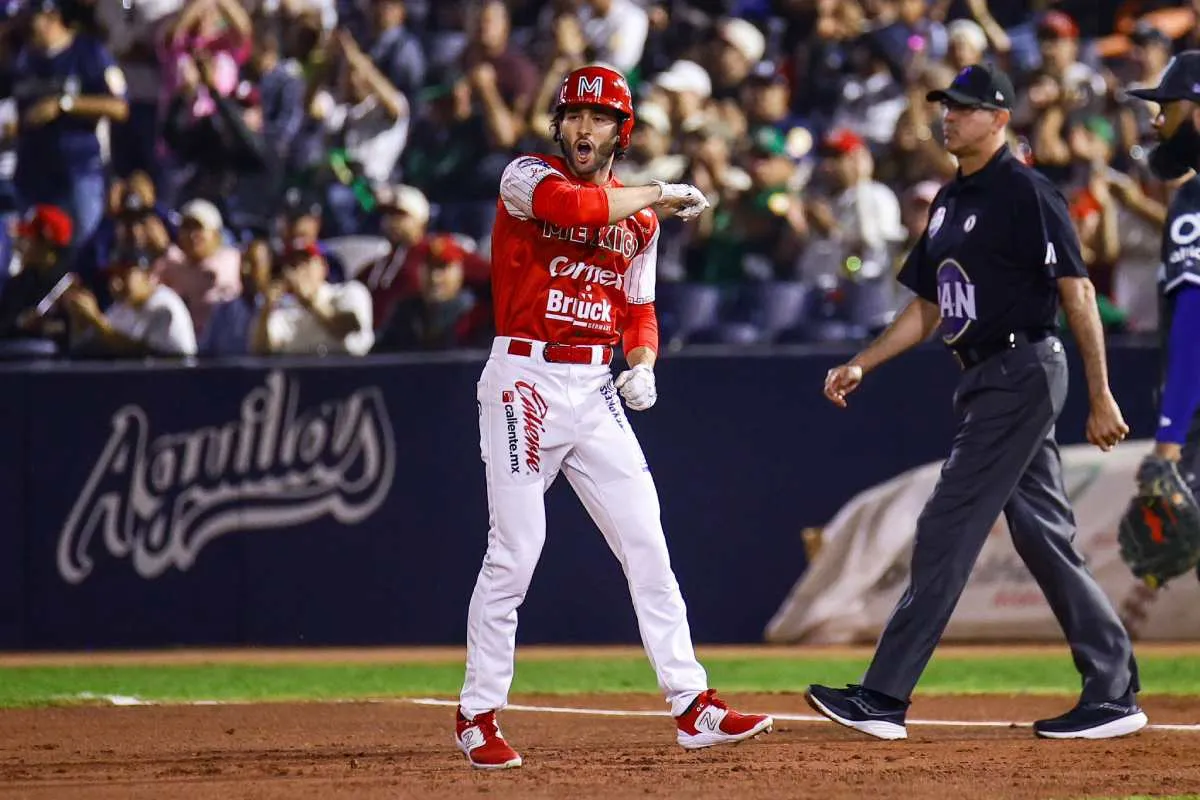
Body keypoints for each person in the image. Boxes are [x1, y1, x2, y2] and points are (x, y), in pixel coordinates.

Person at [805, 64, 1146, 741]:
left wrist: (1101, 392)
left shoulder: (1026, 191)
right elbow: (926, 308)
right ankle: (1112, 691)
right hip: (984, 374)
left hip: (1023, 368)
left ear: (999, 118)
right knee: (1043, 537)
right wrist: (862, 362)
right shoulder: (949, 201)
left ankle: (883, 696)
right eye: (946, 106)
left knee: (947, 524)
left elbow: (1077, 291)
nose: (949, 116)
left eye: (963, 107)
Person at [455, 64, 772, 770]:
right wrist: (659, 188)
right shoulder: (525, 177)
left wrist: (645, 362)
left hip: (594, 385)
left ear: (619, 132)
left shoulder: (642, 223)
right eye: (574, 114)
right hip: (525, 376)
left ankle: (692, 705)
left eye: (599, 118)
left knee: (648, 544)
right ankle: (477, 713)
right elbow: (573, 211)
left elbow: (639, 309)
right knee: (517, 549)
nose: (584, 127)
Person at [1125, 53, 1200, 504]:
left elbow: (1194, 322)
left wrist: (1169, 440)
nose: (1156, 122)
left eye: (1167, 108)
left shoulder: (1194, 200)